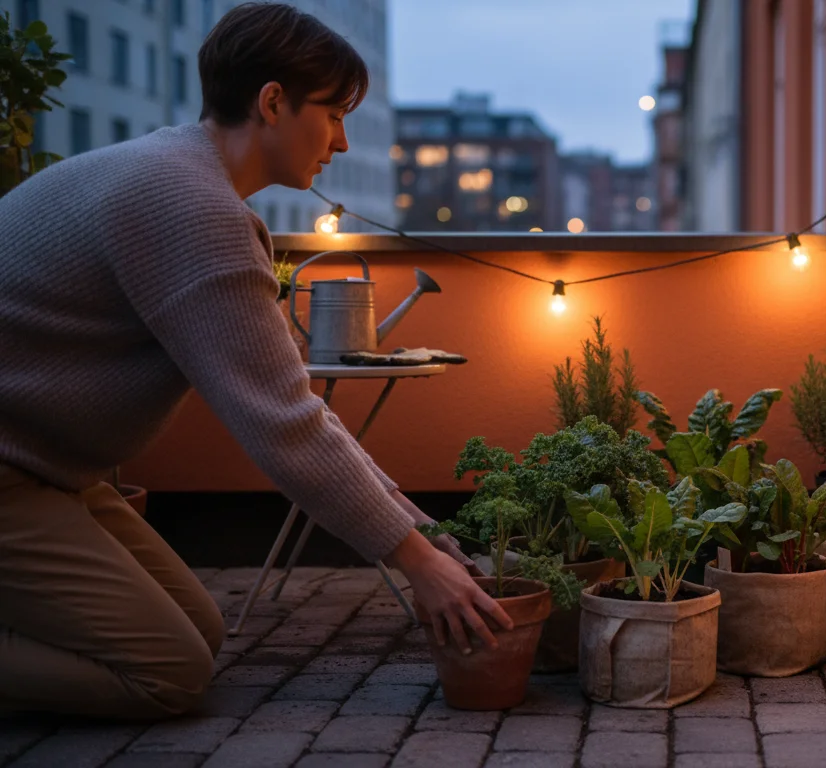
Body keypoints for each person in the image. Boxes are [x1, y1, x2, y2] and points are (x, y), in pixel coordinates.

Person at [0, 2, 509, 720]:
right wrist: (418, 564)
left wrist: (431, 540)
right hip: (12, 473)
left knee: (199, 635)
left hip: (53, 476)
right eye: (333, 114)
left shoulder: (184, 179)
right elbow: (285, 426)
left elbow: (293, 407)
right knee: (167, 674)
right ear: (272, 102)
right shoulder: (186, 203)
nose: (339, 141)